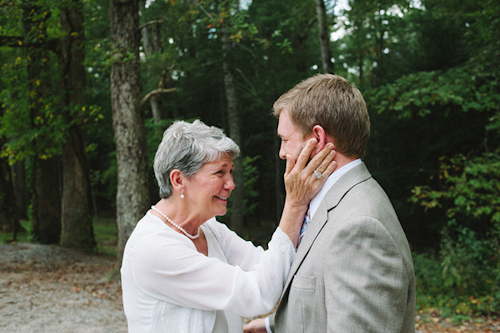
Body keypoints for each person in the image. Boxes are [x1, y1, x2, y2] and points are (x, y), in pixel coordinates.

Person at [120, 119, 337, 332]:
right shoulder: (153, 248)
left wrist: (271, 325)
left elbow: (273, 269)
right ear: (178, 180)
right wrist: (295, 204)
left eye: (231, 171)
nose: (231, 184)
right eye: (219, 172)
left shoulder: (209, 229)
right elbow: (258, 294)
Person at [244, 74, 415, 333]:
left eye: (285, 139)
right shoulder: (333, 205)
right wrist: (273, 325)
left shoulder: (360, 227)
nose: (282, 152)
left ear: (317, 139)